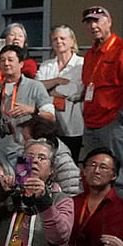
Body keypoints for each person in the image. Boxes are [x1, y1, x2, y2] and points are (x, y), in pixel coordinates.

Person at [79, 6, 123, 208]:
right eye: (90, 22)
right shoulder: (90, 54)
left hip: (113, 122)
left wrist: (121, 119)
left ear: (109, 21)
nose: (93, 25)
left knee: (121, 176)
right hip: (92, 124)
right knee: (91, 174)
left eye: (98, 20)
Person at [0, 44, 54, 162]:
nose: (6, 63)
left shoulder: (35, 86)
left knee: (21, 180)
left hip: (24, 152)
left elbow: (51, 117)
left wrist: (32, 110)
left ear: (21, 64)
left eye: (10, 60)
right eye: (2, 60)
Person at [36, 25, 85, 158]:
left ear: (72, 42)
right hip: (48, 124)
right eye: (55, 39)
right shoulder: (46, 65)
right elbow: (36, 88)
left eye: (62, 38)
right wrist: (57, 81)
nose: (58, 42)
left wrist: (48, 90)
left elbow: (76, 92)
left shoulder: (81, 64)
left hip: (72, 126)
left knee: (70, 160)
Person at [21, 115, 82, 196]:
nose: (22, 143)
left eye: (26, 138)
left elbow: (73, 196)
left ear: (40, 140)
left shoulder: (64, 163)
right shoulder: (25, 154)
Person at [0, 22, 39, 94]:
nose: (16, 38)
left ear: (24, 42)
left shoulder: (29, 63)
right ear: (4, 39)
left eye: (20, 36)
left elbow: (29, 72)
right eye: (12, 35)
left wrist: (2, 61)